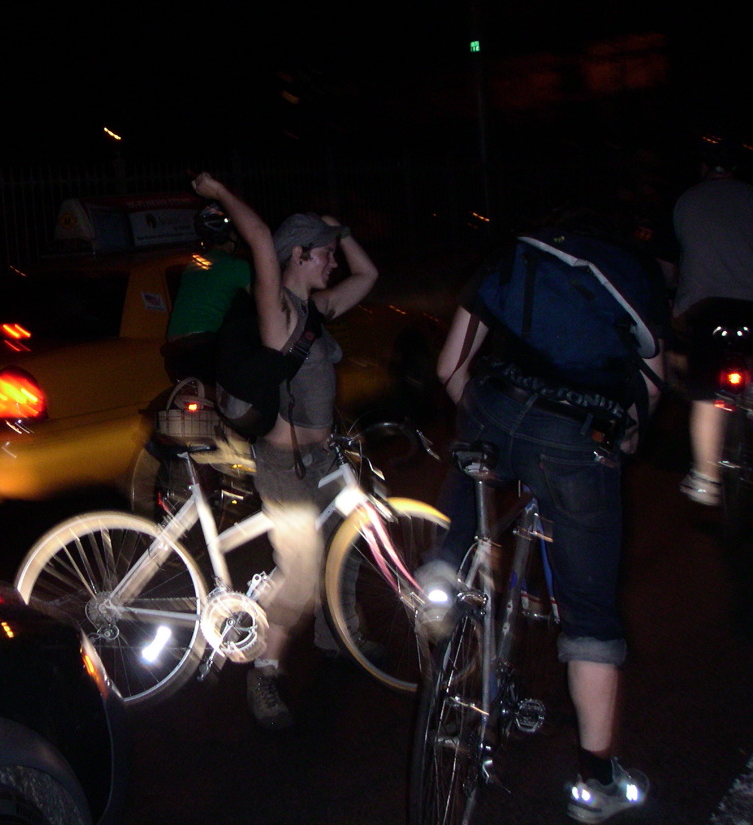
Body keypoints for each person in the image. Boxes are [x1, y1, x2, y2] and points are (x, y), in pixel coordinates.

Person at [430, 207, 667, 822]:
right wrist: (617, 448)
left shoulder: (516, 256)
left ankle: (445, 577)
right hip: (576, 437)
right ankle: (598, 783)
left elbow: (447, 369)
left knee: (472, 464)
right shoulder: (633, 274)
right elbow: (652, 389)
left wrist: (487, 428)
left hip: (497, 407)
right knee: (589, 609)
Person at [190, 171, 379, 729]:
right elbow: (256, 237)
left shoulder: (317, 312)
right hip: (284, 465)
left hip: (323, 457)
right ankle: (264, 672)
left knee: (350, 536)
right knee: (298, 575)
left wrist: (337, 231)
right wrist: (222, 194)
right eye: (322, 255)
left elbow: (368, 274)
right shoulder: (277, 314)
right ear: (296, 256)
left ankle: (336, 633)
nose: (333, 264)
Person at [672, 134, 753, 505]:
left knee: (705, 393)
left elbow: (672, 259)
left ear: (704, 168)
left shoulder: (687, 201)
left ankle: (706, 478)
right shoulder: (750, 195)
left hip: (706, 310)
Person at [161, 202, 253, 384]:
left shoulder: (194, 265)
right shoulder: (237, 266)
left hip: (174, 352)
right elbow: (266, 301)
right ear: (233, 236)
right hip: (204, 348)